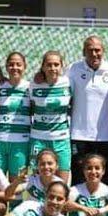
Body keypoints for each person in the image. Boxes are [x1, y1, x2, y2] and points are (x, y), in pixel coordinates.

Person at [66, 36, 108, 185]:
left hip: (105, 136)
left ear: (103, 51)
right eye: (90, 50)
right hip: (79, 135)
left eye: (98, 50)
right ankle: (78, 208)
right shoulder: (72, 69)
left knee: (104, 181)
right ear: (84, 52)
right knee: (79, 180)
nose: (94, 53)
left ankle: (103, 209)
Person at [0, 52, 31, 189]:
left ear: (25, 66)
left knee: (18, 184)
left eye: (18, 64)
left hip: (21, 143)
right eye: (11, 64)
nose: (15, 67)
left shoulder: (31, 87)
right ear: (6, 67)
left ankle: (16, 210)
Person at [29, 51, 72, 183]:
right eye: (49, 65)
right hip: (39, 139)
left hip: (61, 139)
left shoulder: (68, 83)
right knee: (38, 182)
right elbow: (30, 109)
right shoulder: (33, 85)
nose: (53, 68)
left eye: (56, 64)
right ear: (43, 67)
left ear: (61, 66)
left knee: (61, 185)